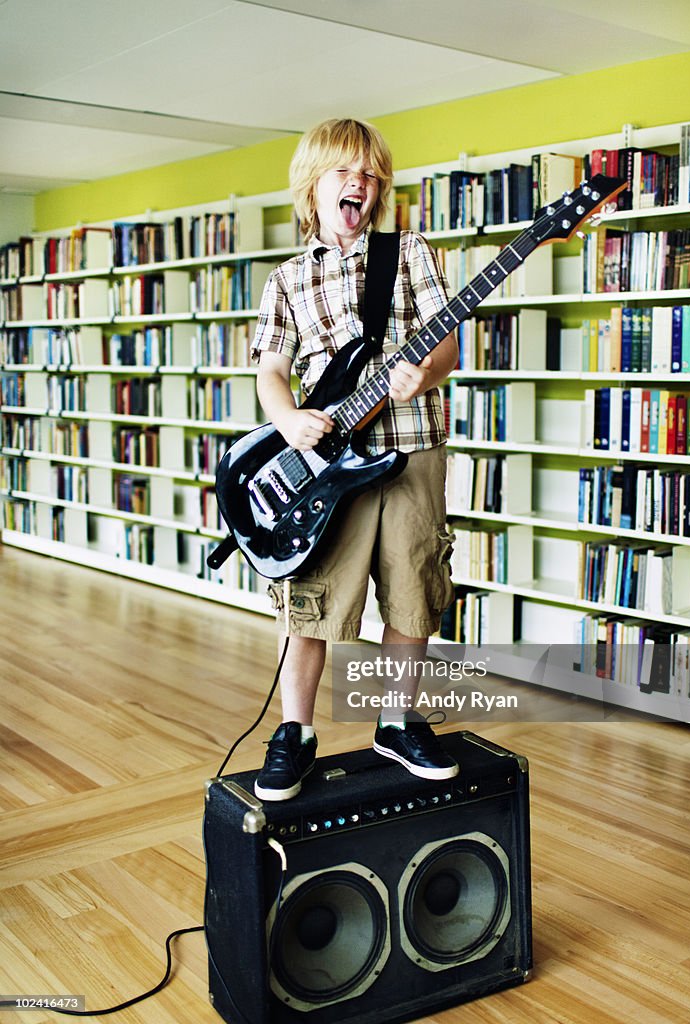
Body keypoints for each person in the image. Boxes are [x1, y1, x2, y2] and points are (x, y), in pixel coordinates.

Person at [250, 117, 459, 801]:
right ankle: (295, 732)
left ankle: (396, 721)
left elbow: (447, 348)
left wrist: (421, 377)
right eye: (345, 171)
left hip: (411, 446)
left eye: (370, 174)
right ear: (313, 186)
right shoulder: (285, 279)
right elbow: (272, 368)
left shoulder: (409, 254)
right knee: (309, 600)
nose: (360, 183)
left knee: (413, 590)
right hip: (327, 466)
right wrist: (286, 418)